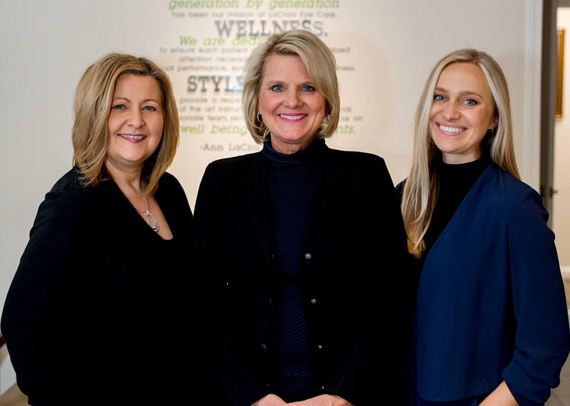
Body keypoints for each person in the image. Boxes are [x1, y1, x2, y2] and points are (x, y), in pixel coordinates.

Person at [192, 29, 411, 406]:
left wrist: (342, 394)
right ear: (257, 100)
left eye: (308, 88)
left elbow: (389, 297)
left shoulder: (367, 177)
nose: (292, 101)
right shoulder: (221, 181)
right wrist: (255, 397)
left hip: (347, 399)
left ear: (326, 100)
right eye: (277, 87)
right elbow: (203, 301)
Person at [1, 53, 217, 405]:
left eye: (150, 108)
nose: (136, 121)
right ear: (95, 114)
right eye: (120, 106)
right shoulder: (72, 205)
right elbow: (22, 323)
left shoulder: (169, 191)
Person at [398, 48, 570, 406]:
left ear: (493, 119)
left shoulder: (515, 208)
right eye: (440, 96)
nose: (449, 112)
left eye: (470, 101)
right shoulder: (403, 197)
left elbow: (545, 345)